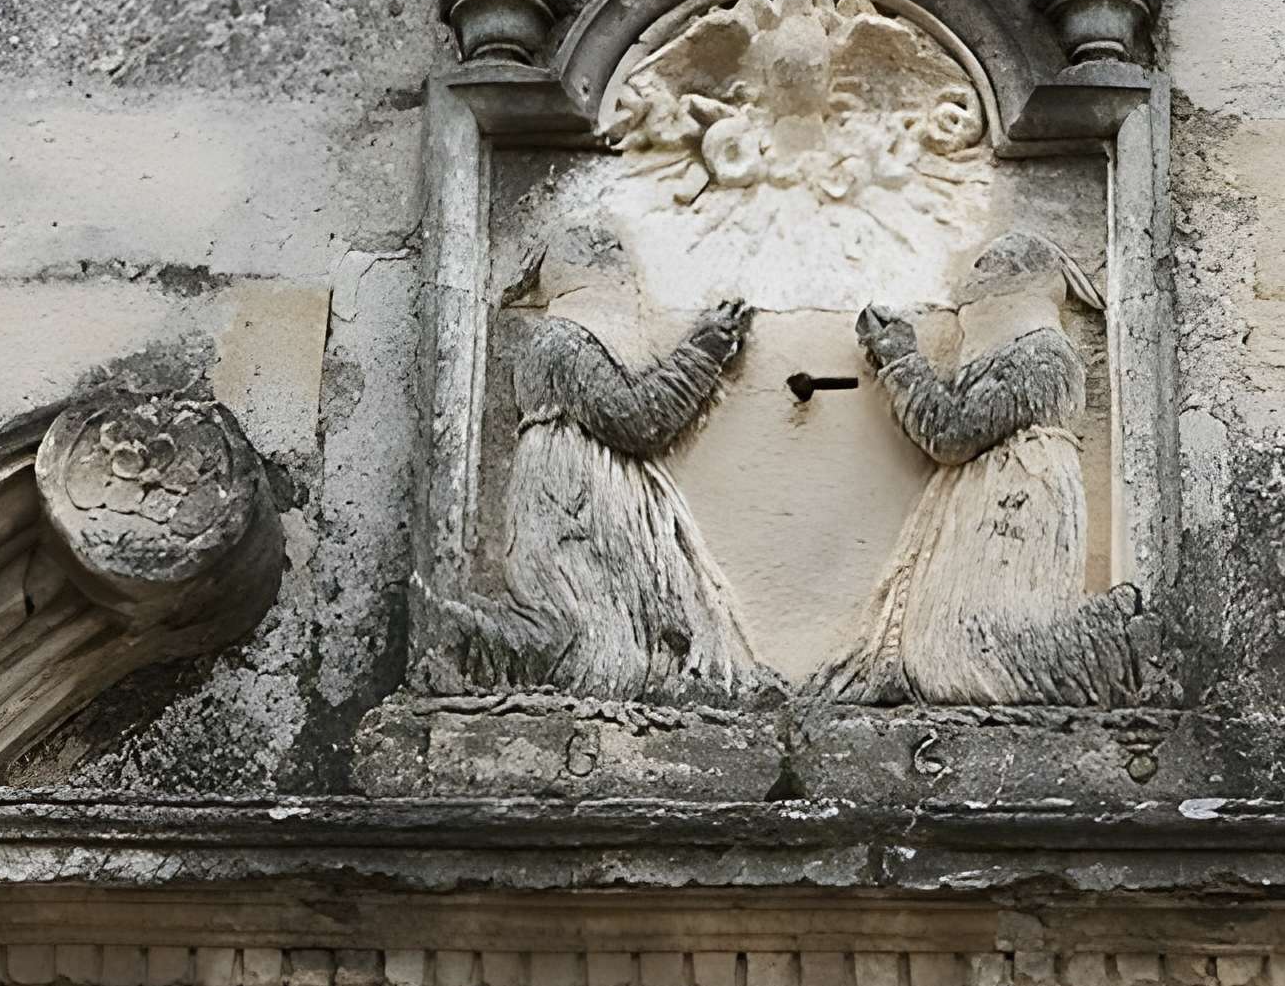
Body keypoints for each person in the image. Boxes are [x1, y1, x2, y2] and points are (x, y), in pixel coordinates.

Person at [422, 223, 769, 704]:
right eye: (613, 263)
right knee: (595, 638)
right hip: (574, 510)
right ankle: (464, 643)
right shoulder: (562, 342)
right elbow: (638, 420)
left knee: (628, 629)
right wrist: (704, 350)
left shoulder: (566, 340)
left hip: (578, 501)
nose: (628, 278)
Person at [820, 230, 1152, 707]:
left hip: (1011, 515)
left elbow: (952, 433)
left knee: (968, 657)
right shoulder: (1021, 356)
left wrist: (901, 358)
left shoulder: (1041, 356)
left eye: (989, 278)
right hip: (1000, 504)